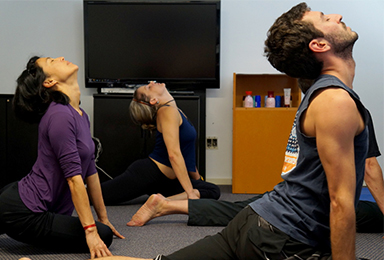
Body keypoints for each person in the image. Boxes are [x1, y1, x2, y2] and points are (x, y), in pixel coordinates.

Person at [97, 3, 372, 259]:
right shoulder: (335, 101)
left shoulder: (320, 93)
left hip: (258, 221)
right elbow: (341, 203)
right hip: (283, 240)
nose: (337, 16)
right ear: (319, 44)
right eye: (326, 18)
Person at [0, 56, 124, 259]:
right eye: (53, 61)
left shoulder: (80, 115)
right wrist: (91, 231)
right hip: (25, 210)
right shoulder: (60, 116)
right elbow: (74, 179)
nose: (61, 58)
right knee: (102, 236)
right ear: (49, 82)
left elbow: (90, 171)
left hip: (19, 195)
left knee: (103, 229)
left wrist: (103, 218)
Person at [126, 157, 383, 232]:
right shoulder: (343, 103)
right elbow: (370, 167)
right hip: (310, 197)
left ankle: (167, 205)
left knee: (248, 207)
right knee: (249, 210)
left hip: (299, 190)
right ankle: (166, 206)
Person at [98, 81, 221, 204]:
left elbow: (187, 151)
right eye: (148, 87)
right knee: (94, 196)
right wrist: (190, 193)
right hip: (148, 174)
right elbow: (173, 154)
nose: (151, 82)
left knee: (213, 190)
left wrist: (198, 180)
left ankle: (161, 201)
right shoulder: (166, 111)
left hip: (166, 181)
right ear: (153, 100)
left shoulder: (175, 110)